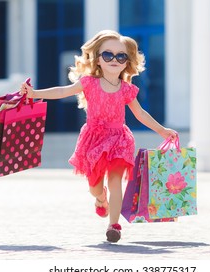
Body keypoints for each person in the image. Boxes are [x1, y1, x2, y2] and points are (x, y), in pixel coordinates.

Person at [20, 30, 177, 243]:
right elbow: (61, 91)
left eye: (120, 56)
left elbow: (140, 114)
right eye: (108, 55)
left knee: (115, 182)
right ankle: (100, 199)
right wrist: (35, 94)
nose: (114, 60)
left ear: (127, 61)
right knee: (94, 187)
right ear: (97, 59)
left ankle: (114, 225)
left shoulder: (126, 89)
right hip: (94, 139)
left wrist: (161, 130)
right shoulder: (89, 83)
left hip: (119, 139)